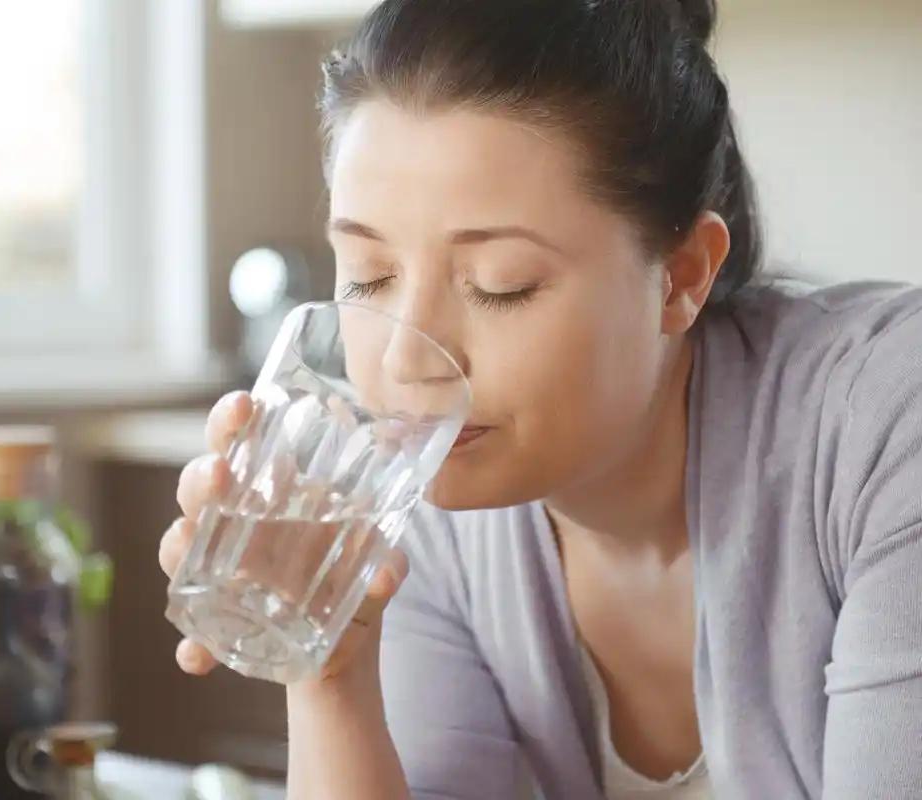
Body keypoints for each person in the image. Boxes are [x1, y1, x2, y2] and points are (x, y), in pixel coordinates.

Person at [158, 1, 922, 797]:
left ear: (683, 275)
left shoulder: (889, 425)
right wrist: (325, 669)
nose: (402, 358)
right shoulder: (421, 503)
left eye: (501, 286)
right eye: (369, 275)